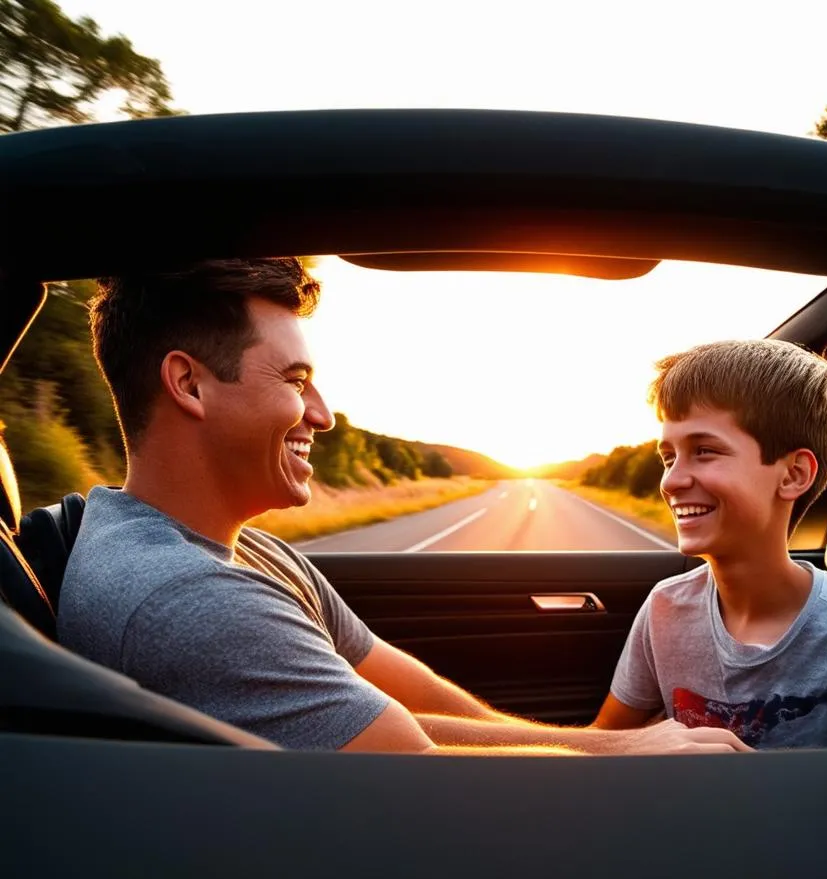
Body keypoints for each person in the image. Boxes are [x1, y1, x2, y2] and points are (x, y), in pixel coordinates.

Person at [58, 258, 747, 756]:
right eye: (296, 381)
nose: (322, 416)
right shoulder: (187, 597)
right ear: (189, 385)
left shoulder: (243, 550)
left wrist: (607, 750)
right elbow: (419, 773)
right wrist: (626, 756)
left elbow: (407, 695)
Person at [592, 340, 827, 748]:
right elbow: (606, 747)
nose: (672, 480)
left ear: (792, 475)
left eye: (704, 451)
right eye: (669, 457)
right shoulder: (666, 607)